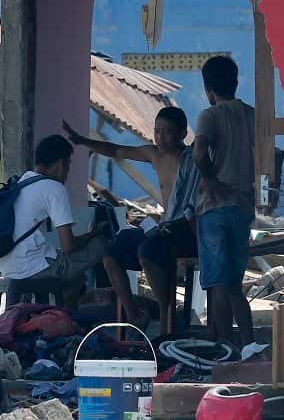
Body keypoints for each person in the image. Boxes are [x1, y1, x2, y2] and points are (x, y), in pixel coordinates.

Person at [64, 108, 200, 332]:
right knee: (112, 253)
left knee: (147, 252)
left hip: (182, 229)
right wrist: (81, 141)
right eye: (157, 132)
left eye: (167, 132)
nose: (160, 137)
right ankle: (134, 314)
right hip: (163, 227)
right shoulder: (154, 154)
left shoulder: (192, 162)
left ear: (183, 134)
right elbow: (116, 150)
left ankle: (168, 315)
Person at [0, 134, 109, 307]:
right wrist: (92, 234)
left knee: (75, 277)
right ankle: (128, 311)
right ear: (62, 164)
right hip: (30, 269)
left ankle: (66, 310)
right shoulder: (54, 188)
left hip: (7, 266)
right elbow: (68, 246)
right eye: (69, 164)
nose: (68, 170)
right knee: (103, 243)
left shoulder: (22, 181)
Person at [193, 55, 259, 351]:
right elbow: (271, 155)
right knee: (234, 281)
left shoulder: (210, 115)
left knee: (218, 283)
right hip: (242, 206)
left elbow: (198, 153)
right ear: (235, 82)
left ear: (208, 88)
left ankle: (221, 348)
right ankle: (247, 344)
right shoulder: (251, 115)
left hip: (214, 206)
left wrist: (209, 177)